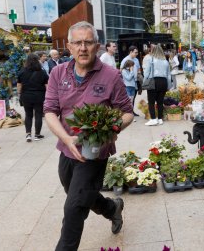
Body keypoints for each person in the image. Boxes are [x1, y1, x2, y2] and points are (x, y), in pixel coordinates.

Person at [44, 21, 134, 251]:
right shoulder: (57, 72)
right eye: (77, 43)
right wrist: (67, 139)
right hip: (67, 149)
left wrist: (110, 129)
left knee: (73, 208)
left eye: (88, 42)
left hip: (95, 152)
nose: (83, 48)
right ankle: (112, 208)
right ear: (69, 46)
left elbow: (127, 113)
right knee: (80, 195)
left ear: (97, 46)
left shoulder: (111, 76)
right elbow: (50, 111)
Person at [17, 53, 49, 142]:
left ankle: (28, 134)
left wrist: (19, 94)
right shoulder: (42, 72)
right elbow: (47, 85)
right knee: (38, 115)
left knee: (28, 115)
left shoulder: (22, 71)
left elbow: (19, 85)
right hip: (39, 96)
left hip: (26, 96)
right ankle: (37, 134)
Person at [143, 45, 171, 126]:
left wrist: (144, 82)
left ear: (153, 51)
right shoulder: (166, 61)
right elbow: (168, 75)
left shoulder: (151, 59)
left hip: (153, 81)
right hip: (163, 82)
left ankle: (153, 119)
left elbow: (147, 72)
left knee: (151, 101)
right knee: (160, 102)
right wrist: (169, 86)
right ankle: (160, 119)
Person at [120, 45, 141, 116]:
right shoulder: (125, 60)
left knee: (133, 97)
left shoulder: (136, 60)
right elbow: (121, 70)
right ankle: (128, 112)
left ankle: (132, 111)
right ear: (131, 52)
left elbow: (138, 69)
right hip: (128, 82)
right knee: (128, 98)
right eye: (135, 52)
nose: (136, 54)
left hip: (135, 81)